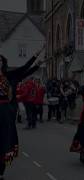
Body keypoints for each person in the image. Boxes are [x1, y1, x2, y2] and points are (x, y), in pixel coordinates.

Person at [0, 47, 44, 179]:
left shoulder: (9, 75)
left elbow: (24, 69)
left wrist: (35, 57)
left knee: (3, 141)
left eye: (0, 61)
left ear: (3, 63)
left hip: (4, 112)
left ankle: (1, 172)